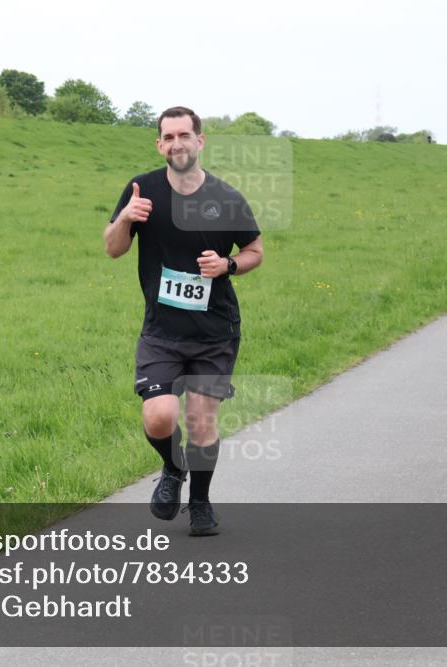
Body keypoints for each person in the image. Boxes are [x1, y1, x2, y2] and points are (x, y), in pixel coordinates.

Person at [104, 106, 264, 536]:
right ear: (160, 144)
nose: (177, 144)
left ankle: (200, 504)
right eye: (168, 137)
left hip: (215, 333)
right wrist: (125, 218)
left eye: (184, 135)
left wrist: (228, 265)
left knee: (200, 421)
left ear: (200, 141)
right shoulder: (142, 190)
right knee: (158, 417)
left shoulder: (227, 198)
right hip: (162, 331)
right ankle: (172, 468)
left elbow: (255, 252)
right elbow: (113, 248)